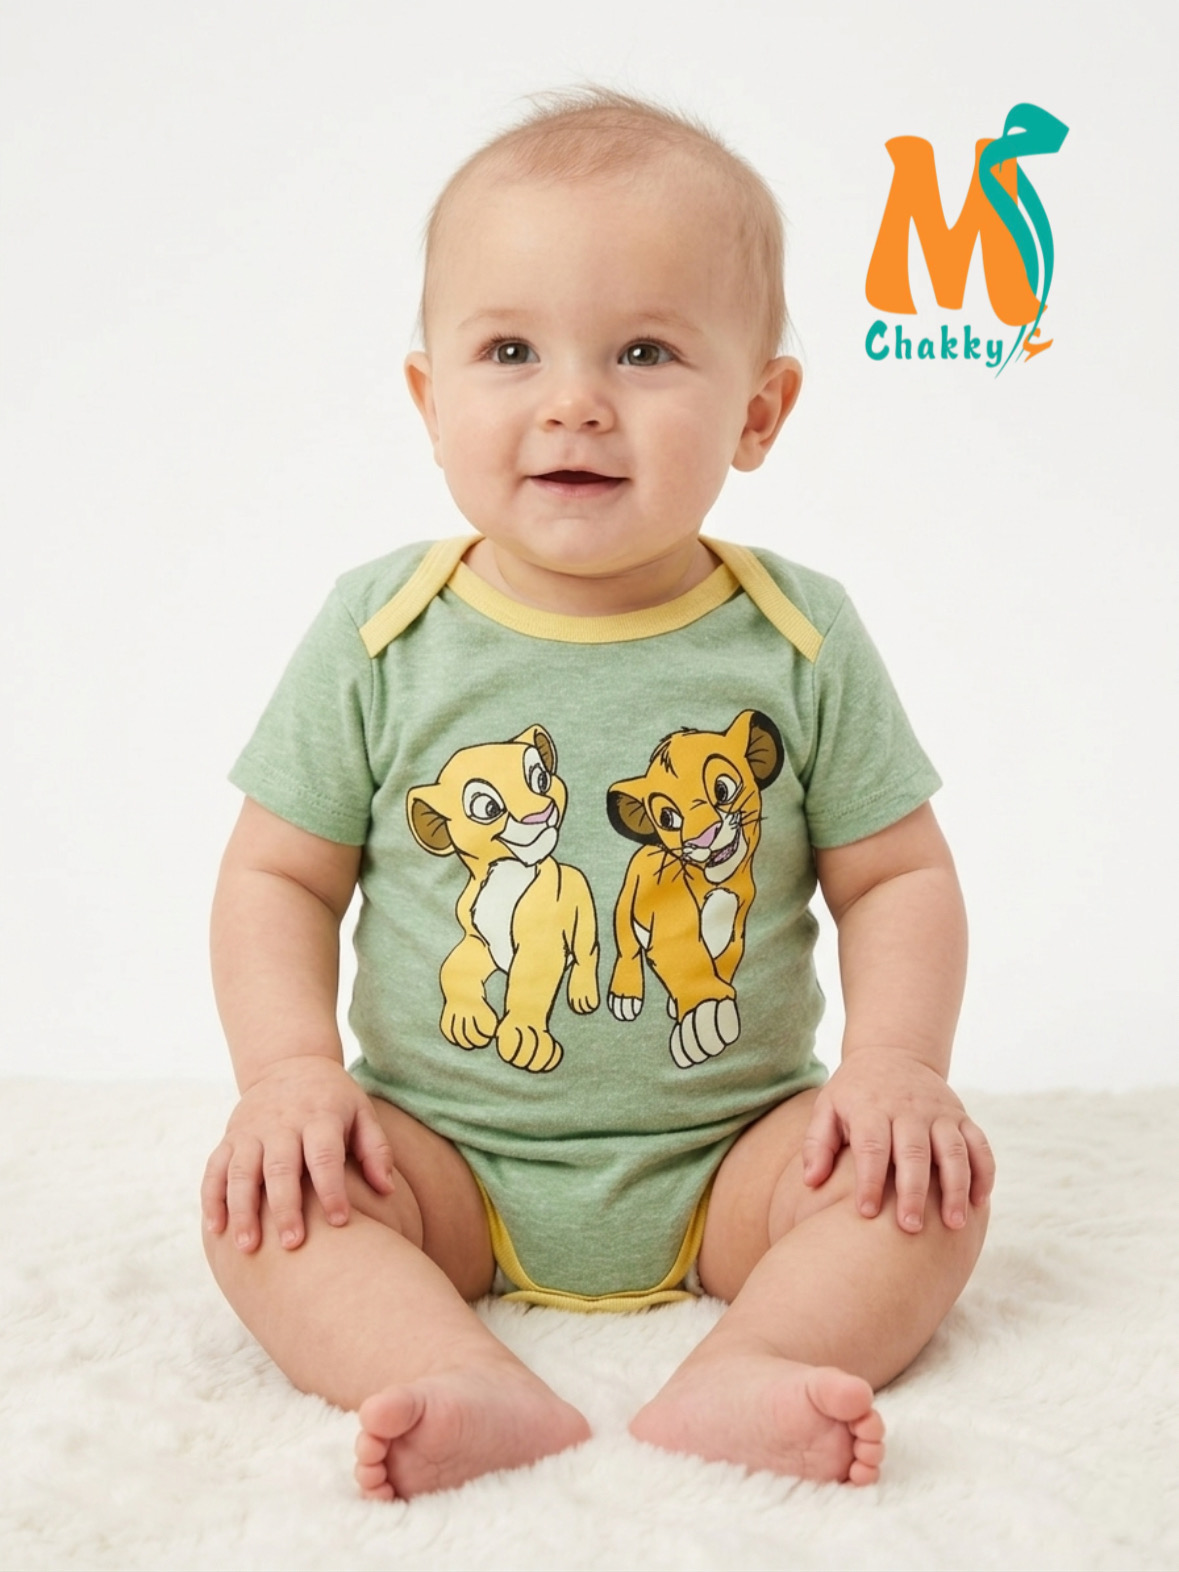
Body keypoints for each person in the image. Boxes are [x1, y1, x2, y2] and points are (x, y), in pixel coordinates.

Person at [201, 86, 994, 1501]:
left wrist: (895, 1070)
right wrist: (290, 1081)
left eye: (644, 351)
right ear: (431, 402)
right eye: (510, 350)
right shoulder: (382, 630)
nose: (573, 400)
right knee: (265, 1213)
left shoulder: (797, 635)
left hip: (735, 1154)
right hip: (440, 1156)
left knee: (926, 1196)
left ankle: (756, 1360)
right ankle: (445, 1366)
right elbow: (278, 877)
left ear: (759, 412)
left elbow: (897, 877)